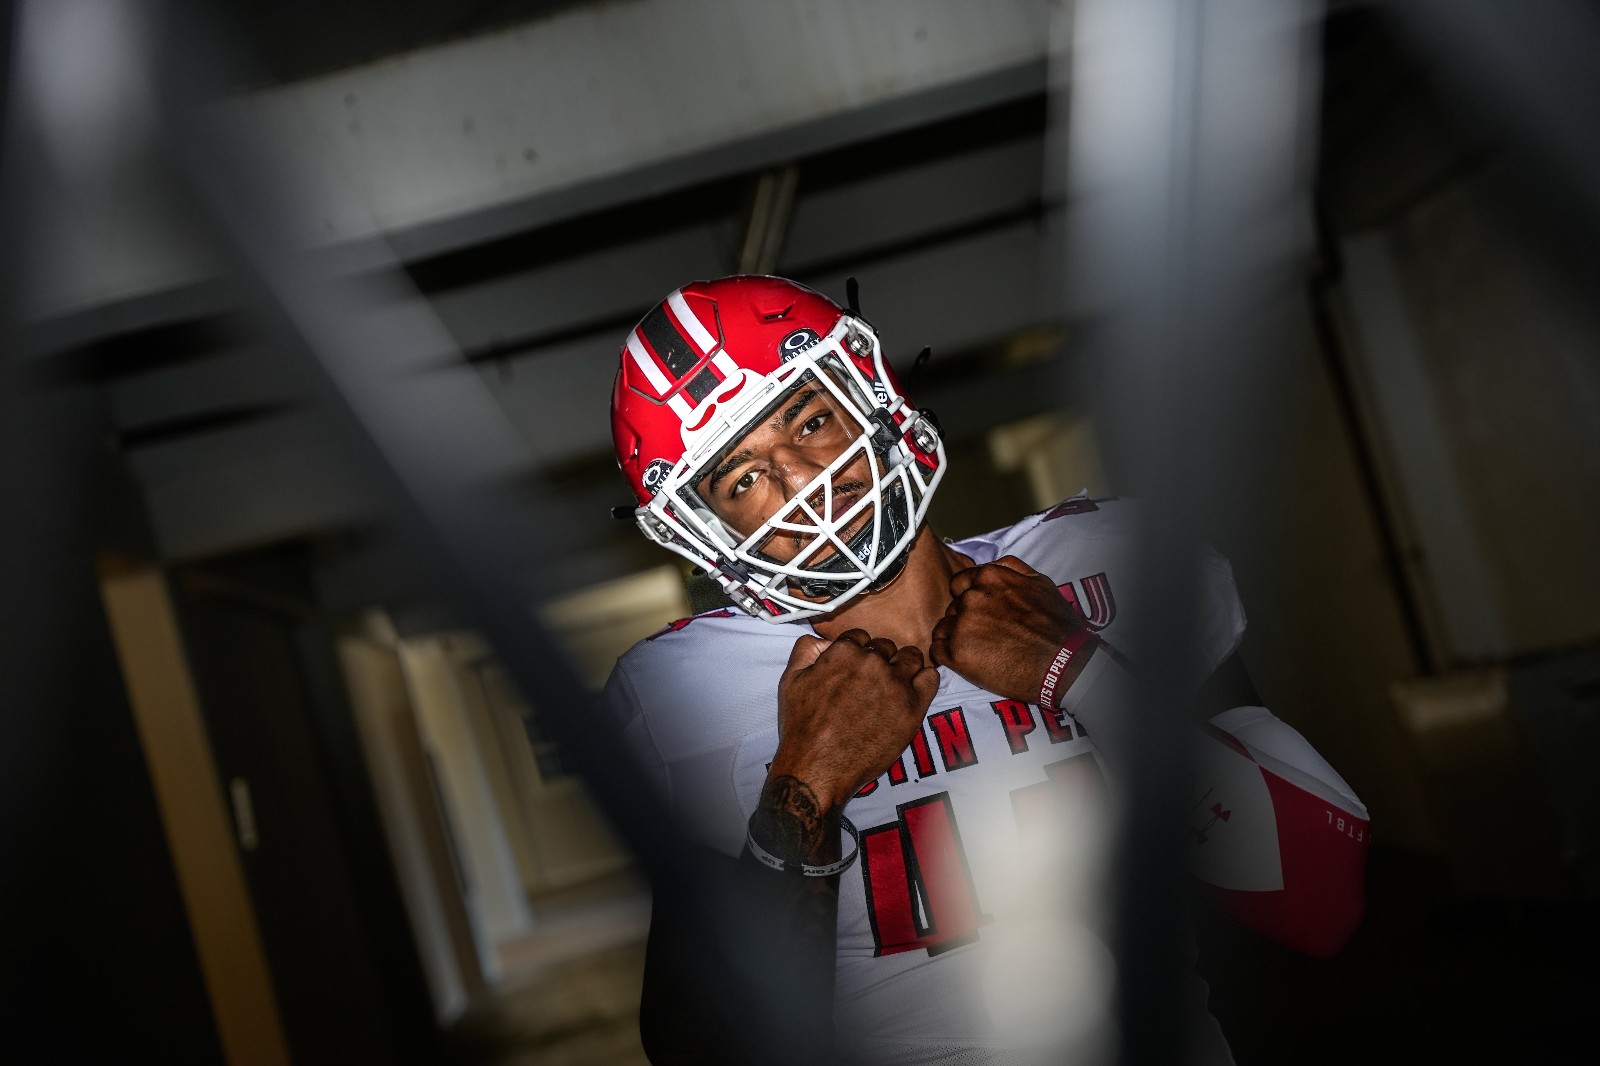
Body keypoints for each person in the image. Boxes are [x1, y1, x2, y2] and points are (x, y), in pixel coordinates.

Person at [602, 275, 1369, 1065]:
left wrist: (1076, 669)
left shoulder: (1112, 562)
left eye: (811, 420)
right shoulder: (687, 691)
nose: (801, 481)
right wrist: (806, 784)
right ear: (705, 532)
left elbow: (1319, 899)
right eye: (743, 478)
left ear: (871, 394)